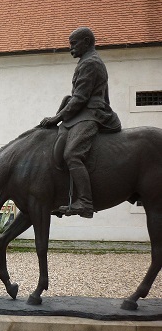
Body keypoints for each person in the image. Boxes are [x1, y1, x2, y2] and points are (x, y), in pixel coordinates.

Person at [39, 27, 121, 219]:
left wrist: (56, 117)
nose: (71, 48)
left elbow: (80, 98)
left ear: (86, 41)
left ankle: (85, 201)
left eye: (74, 44)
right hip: (83, 111)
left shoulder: (91, 63)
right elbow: (74, 97)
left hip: (92, 113)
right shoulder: (86, 61)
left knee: (73, 154)